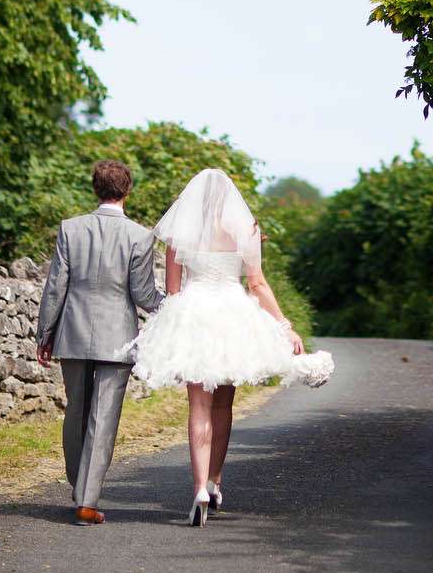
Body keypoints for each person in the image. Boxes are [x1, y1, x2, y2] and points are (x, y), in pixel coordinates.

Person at [124, 167, 333, 526]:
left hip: (194, 317)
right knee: (223, 406)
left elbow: (172, 291)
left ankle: (198, 490)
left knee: (198, 406)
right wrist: (285, 326)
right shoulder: (245, 230)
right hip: (234, 318)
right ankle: (215, 482)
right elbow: (257, 284)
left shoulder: (181, 233)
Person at [36, 159, 164, 525]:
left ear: (95, 188)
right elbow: (144, 295)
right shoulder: (140, 236)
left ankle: (79, 485)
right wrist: (177, 306)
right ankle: (87, 500)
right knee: (103, 417)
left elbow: (56, 286)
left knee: (76, 410)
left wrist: (45, 333)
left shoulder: (70, 228)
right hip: (117, 338)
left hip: (72, 332)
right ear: (128, 191)